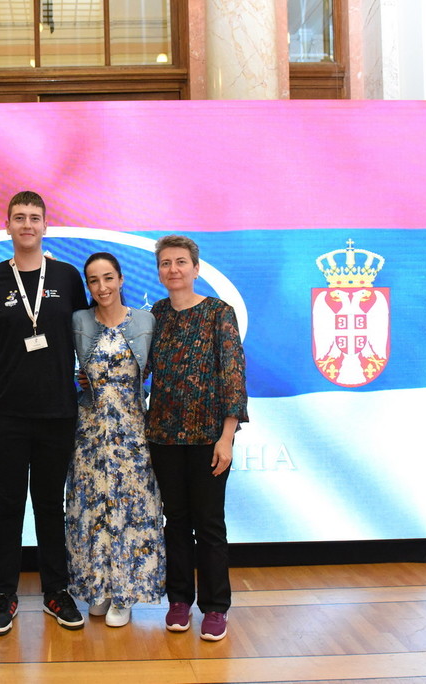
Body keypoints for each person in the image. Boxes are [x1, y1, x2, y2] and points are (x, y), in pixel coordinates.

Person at [0, 190, 89, 634]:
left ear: (44, 225)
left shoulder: (67, 276)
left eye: (34, 217)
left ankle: (56, 591)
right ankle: (5, 593)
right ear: (7, 226)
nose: (27, 224)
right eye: (18, 217)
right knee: (7, 503)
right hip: (4, 411)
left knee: (49, 504)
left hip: (57, 410)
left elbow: (88, 335)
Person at [146, 234, 248, 642]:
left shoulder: (218, 313)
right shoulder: (156, 314)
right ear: (159, 271)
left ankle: (216, 607)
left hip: (209, 438)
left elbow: (233, 376)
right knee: (175, 523)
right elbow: (141, 366)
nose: (173, 269)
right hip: (163, 437)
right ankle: (178, 601)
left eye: (180, 262)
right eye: (165, 263)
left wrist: (227, 437)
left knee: (209, 524)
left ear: (195, 268)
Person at [67, 252, 165, 628]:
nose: (102, 286)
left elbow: (157, 373)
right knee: (92, 511)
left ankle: (125, 595)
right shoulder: (79, 321)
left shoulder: (145, 321)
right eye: (94, 280)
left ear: (121, 280)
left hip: (132, 432)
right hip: (89, 432)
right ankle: (100, 589)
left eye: (108, 278)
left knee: (130, 510)